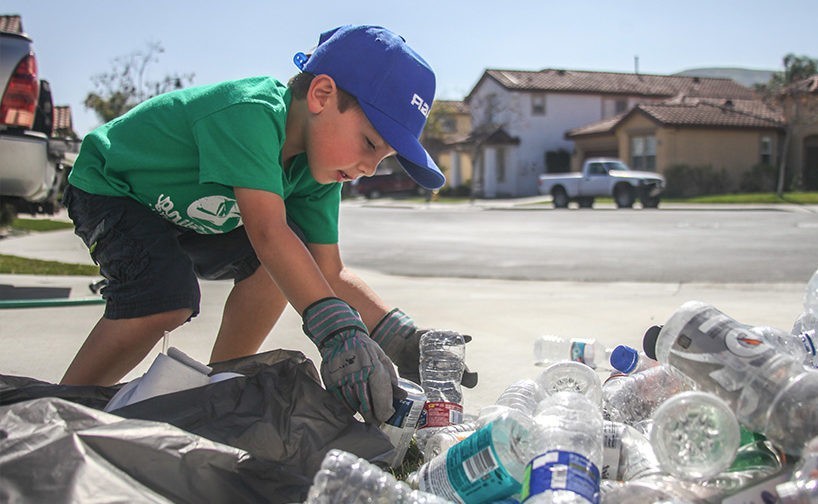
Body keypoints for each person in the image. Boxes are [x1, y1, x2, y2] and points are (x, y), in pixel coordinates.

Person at [59, 25, 476, 424]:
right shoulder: (251, 113)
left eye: (382, 157)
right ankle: (60, 409)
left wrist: (400, 335)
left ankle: (216, 388)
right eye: (369, 143)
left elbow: (327, 271)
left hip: (191, 216)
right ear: (321, 95)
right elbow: (268, 233)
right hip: (115, 189)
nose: (369, 167)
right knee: (164, 298)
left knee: (284, 265)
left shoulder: (319, 172)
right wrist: (336, 334)